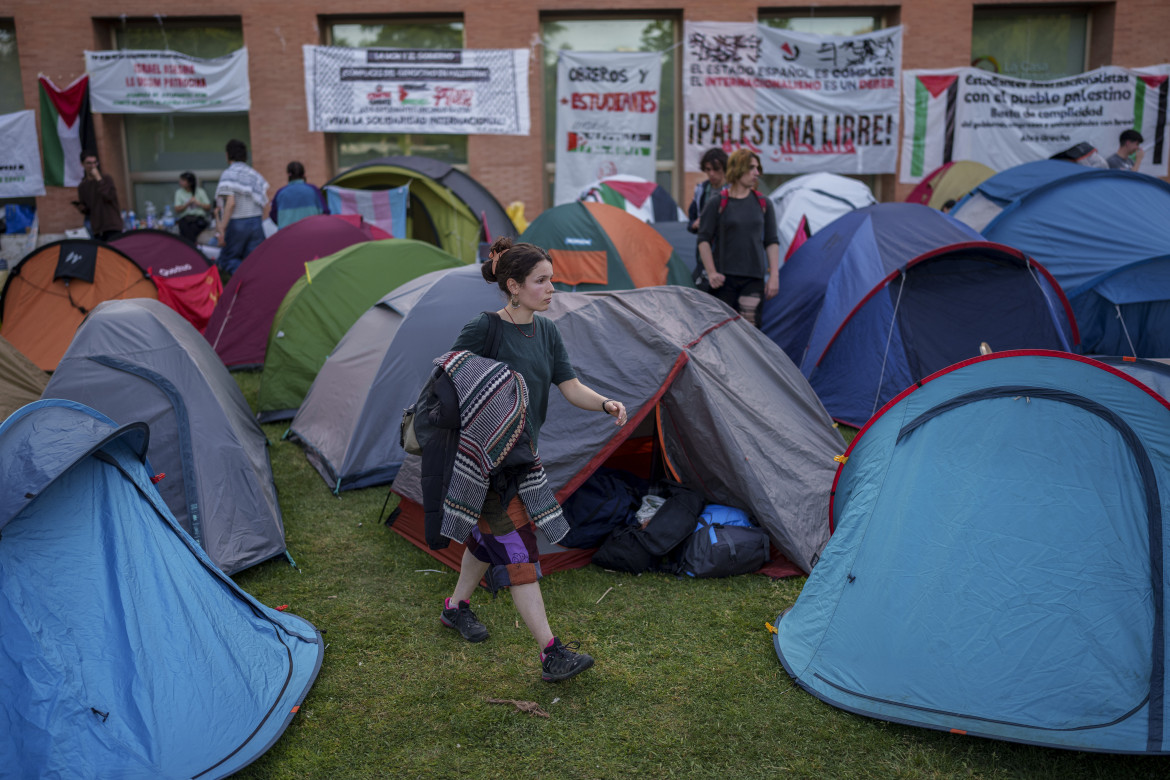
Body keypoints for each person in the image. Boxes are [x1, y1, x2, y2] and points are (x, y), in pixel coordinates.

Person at [438, 237, 627, 682]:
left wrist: (605, 403)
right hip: (483, 466)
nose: (552, 288)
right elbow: (447, 385)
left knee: (489, 543)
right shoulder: (483, 329)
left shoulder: (547, 332)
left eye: (551, 279)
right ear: (513, 286)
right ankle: (550, 652)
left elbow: (570, 385)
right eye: (542, 281)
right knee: (520, 554)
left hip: (523, 461)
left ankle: (455, 607)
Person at [695, 148, 780, 326]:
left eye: (757, 168)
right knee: (724, 332)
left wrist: (774, 275)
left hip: (753, 278)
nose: (756, 173)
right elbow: (703, 240)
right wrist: (711, 272)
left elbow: (771, 241)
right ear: (738, 169)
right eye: (751, 168)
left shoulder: (764, 203)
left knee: (751, 330)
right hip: (723, 280)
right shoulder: (717, 202)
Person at [214, 139, 269, 276]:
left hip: (238, 222)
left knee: (227, 260)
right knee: (255, 261)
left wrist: (223, 227)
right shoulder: (253, 174)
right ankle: (254, 286)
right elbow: (262, 200)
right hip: (256, 222)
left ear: (227, 155)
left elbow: (231, 202)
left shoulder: (229, 174)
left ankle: (245, 280)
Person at [73, 150, 123, 241]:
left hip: (112, 226)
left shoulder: (106, 179)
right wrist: (81, 207)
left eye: (95, 162)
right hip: (97, 229)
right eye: (89, 163)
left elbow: (110, 197)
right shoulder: (83, 186)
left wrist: (99, 179)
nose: (92, 166)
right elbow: (88, 210)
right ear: (82, 164)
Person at [269, 161, 328, 229]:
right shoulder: (313, 190)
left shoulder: (280, 193)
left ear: (288, 174)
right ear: (304, 174)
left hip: (287, 235)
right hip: (312, 232)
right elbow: (325, 211)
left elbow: (273, 215)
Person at [687, 147, 728, 233]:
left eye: (716, 169)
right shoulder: (700, 189)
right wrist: (694, 224)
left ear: (724, 169)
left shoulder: (732, 189)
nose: (711, 173)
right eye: (708, 169)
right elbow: (691, 219)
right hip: (705, 240)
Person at [174, 171, 213, 243]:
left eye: (183, 180)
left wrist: (198, 203)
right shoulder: (179, 192)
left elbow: (208, 207)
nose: (180, 182)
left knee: (192, 229)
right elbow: (177, 209)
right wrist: (187, 204)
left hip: (198, 219)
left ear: (190, 183)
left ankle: (188, 249)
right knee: (184, 226)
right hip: (185, 219)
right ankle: (193, 248)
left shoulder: (200, 192)